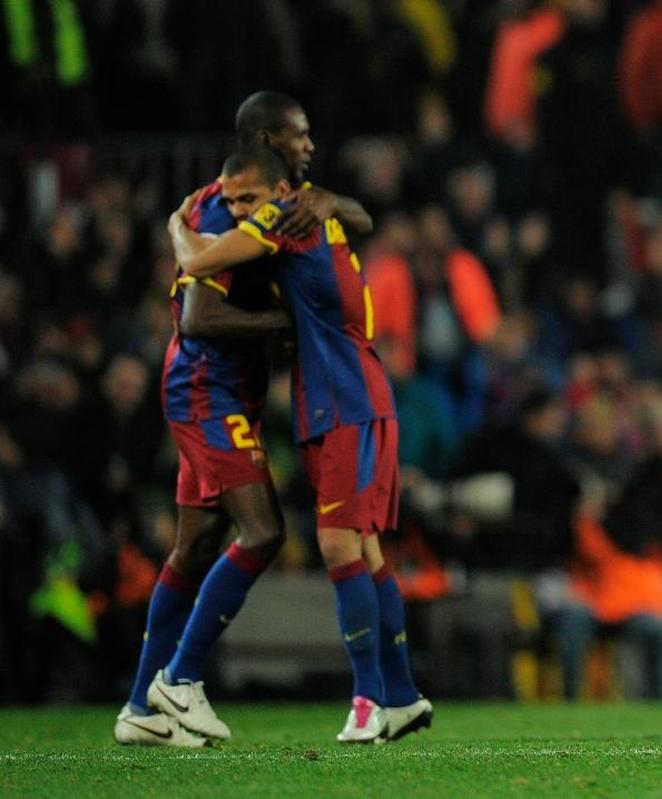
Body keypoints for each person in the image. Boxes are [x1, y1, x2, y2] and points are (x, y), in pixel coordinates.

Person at [114, 91, 374, 748]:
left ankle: (141, 705)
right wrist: (291, 325)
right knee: (261, 532)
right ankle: (181, 677)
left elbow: (360, 218)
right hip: (207, 387)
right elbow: (199, 315)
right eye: (300, 135)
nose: (311, 145)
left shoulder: (291, 197)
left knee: (196, 544)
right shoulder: (214, 207)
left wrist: (333, 202)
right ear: (266, 138)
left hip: (232, 388)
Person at [168, 145, 431, 745]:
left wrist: (177, 229)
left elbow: (203, 261)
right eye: (230, 201)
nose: (238, 211)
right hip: (351, 391)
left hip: (343, 398)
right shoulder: (321, 216)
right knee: (364, 548)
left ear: (281, 193)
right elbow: (356, 215)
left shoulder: (281, 223)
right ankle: (402, 696)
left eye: (248, 199)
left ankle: (367, 702)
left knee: (338, 544)